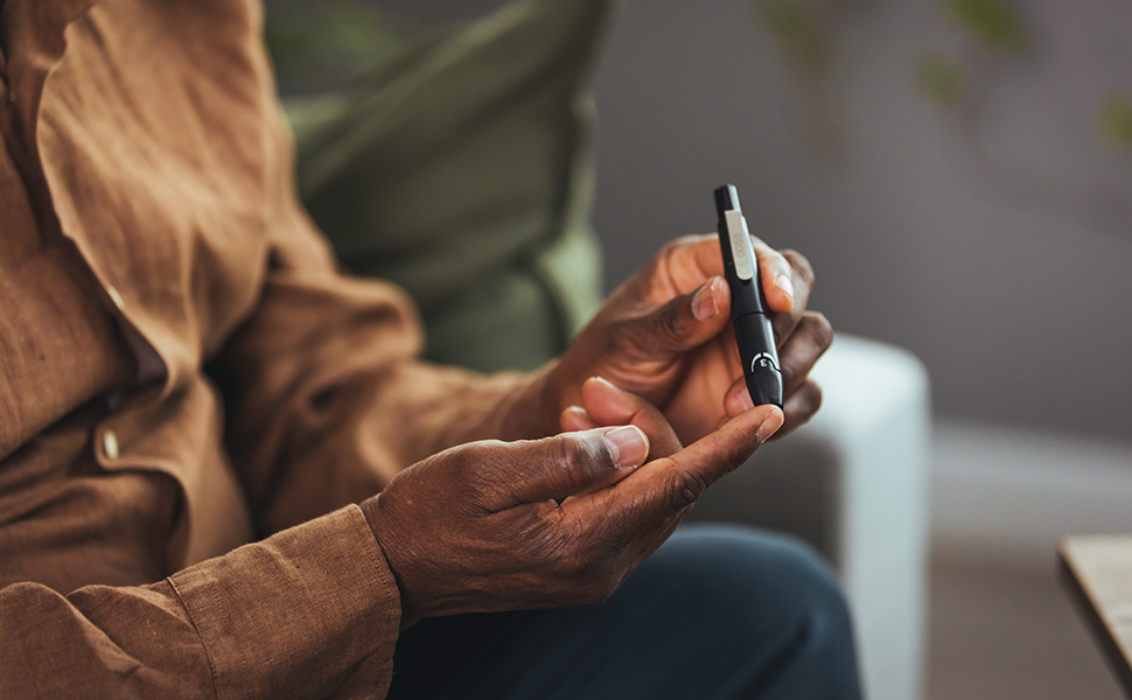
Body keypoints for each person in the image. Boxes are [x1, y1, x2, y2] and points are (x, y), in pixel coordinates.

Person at [0, 0, 859, 698]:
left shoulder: (180, 23)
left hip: (319, 649)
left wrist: (573, 399)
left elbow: (313, 393)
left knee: (778, 611)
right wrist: (380, 567)